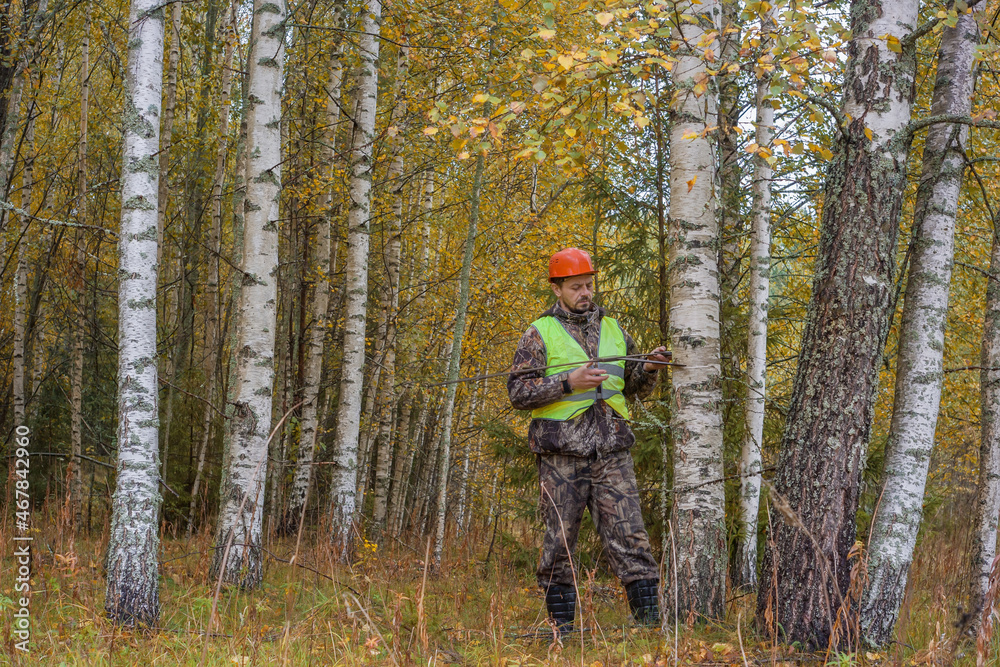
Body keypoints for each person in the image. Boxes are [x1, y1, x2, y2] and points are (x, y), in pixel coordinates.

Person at [507, 247, 669, 633]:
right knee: (559, 544)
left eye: (589, 285)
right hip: (561, 455)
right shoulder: (539, 332)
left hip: (612, 450)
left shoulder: (614, 329)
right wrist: (567, 382)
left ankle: (649, 629)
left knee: (632, 540)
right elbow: (518, 393)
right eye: (576, 286)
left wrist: (647, 368)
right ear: (558, 289)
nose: (585, 293)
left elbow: (628, 387)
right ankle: (561, 631)